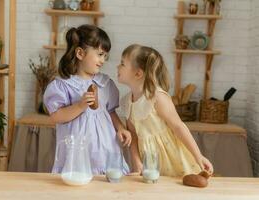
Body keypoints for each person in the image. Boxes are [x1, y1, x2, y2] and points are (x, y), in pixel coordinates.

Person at [43, 24, 131, 174]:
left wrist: (121, 128)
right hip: (78, 152)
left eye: (105, 56)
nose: (103, 60)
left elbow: (110, 112)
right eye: (99, 54)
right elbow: (56, 117)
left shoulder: (105, 83)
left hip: (106, 150)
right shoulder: (64, 85)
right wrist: (80, 106)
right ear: (80, 53)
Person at [117, 44, 213, 176]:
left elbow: (179, 127)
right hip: (149, 161)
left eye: (122, 64)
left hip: (172, 157)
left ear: (138, 73)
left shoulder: (157, 97)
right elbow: (133, 135)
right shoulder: (126, 101)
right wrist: (137, 162)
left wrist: (199, 156)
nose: (118, 67)